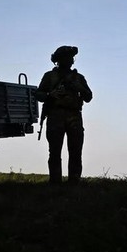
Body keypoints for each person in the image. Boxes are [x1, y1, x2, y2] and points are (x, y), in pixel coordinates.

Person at [36, 46, 93, 184]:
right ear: (58, 60)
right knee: (54, 151)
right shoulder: (49, 76)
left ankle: (74, 181)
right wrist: (51, 95)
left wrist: (79, 88)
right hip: (55, 115)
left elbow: (89, 96)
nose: (70, 60)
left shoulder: (78, 78)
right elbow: (39, 94)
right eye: (66, 57)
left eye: (71, 57)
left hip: (74, 115)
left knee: (75, 151)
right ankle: (55, 181)